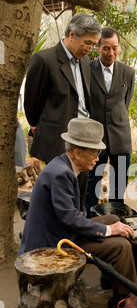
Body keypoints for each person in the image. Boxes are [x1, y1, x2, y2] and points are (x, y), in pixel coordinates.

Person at [18, 118, 137, 308]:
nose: (97, 158)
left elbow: (70, 216)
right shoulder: (61, 174)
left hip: (60, 230)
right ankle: (123, 299)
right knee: (121, 246)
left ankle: (112, 277)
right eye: (94, 153)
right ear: (77, 152)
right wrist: (108, 231)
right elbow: (70, 219)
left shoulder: (62, 165)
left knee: (115, 219)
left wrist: (109, 227)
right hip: (53, 243)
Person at [24, 12, 101, 202]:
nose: (90, 48)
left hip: (83, 139)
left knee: (79, 194)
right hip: (58, 141)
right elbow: (32, 106)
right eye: (88, 42)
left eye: (93, 44)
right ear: (72, 34)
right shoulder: (45, 60)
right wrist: (38, 125)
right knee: (58, 197)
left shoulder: (85, 62)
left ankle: (76, 229)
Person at [85, 26, 135, 215]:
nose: (111, 53)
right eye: (106, 48)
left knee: (118, 188)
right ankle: (88, 221)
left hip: (120, 139)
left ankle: (117, 222)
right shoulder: (87, 69)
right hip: (95, 138)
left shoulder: (128, 73)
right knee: (91, 185)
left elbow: (125, 103)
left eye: (114, 48)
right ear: (98, 47)